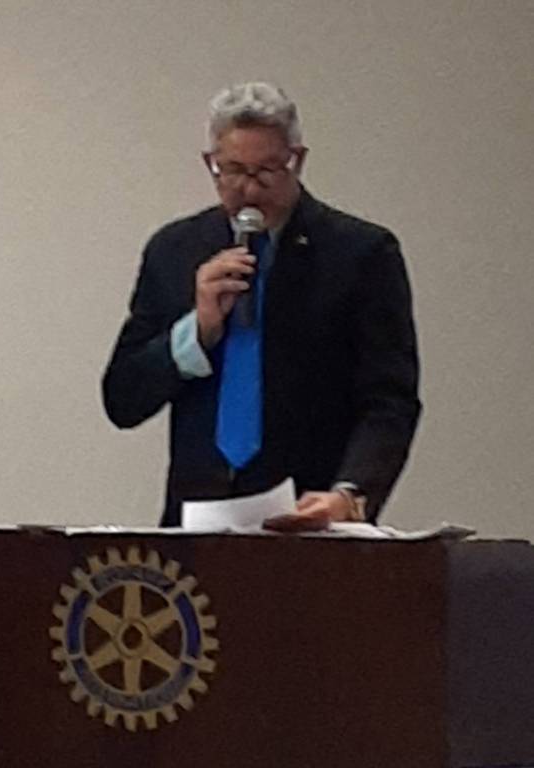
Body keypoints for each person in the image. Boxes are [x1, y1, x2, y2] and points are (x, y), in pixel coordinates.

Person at [102, 82, 421, 529]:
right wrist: (197, 332)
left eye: (267, 170)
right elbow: (123, 399)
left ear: (297, 160)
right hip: (195, 525)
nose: (249, 189)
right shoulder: (175, 250)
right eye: (232, 171)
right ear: (210, 163)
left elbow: (389, 400)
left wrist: (350, 493)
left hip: (309, 519)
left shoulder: (360, 254)